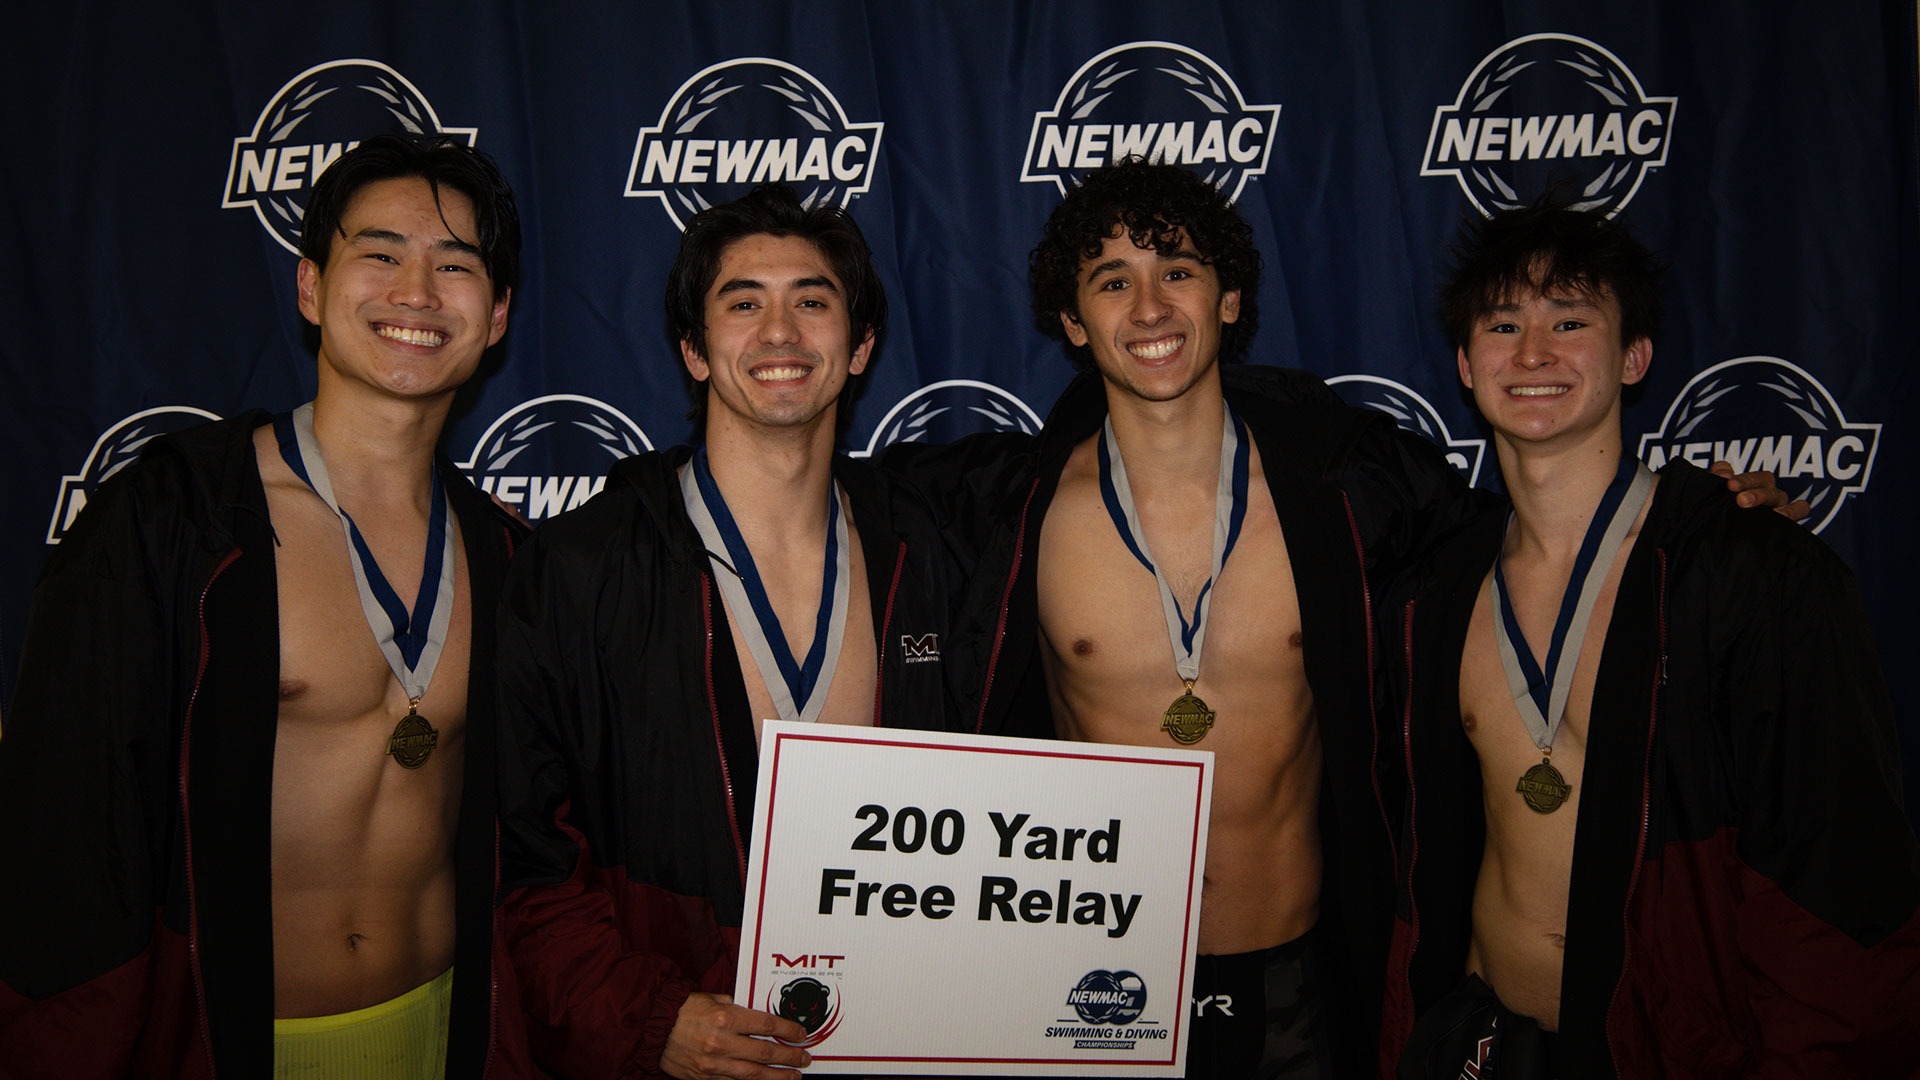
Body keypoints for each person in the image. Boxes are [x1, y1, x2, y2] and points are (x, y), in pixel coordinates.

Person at [902, 158, 1797, 1080]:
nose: (1150, 307)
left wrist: (1695, 511)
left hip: (1299, 975)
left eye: (1178, 271)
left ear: (1231, 299)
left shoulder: (1351, 483)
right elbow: (825, 525)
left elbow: (1541, 530)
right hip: (1093, 979)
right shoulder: (1007, 507)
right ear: (1072, 321)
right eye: (1112, 282)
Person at [0, 134, 535, 1076]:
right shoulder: (169, 524)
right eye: (380, 254)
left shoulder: (505, 553)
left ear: (495, 317)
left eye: (456, 265)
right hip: (232, 1043)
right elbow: (60, 843)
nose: (416, 291)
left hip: (448, 1029)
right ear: (310, 289)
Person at [1376, 201, 1920, 1077]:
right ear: (1466, 364)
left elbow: (1837, 883)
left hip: (1665, 1050)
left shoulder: (1752, 575)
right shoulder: (1434, 592)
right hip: (1484, 1044)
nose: (1535, 352)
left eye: (1572, 321)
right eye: (1504, 324)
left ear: (1635, 358)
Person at [496, 184, 973, 1079]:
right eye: (743, 301)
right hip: (674, 1042)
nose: (781, 332)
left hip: (892, 1039)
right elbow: (522, 862)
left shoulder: (927, 560)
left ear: (860, 345)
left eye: (814, 301)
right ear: (695, 349)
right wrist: (652, 1021)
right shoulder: (582, 569)